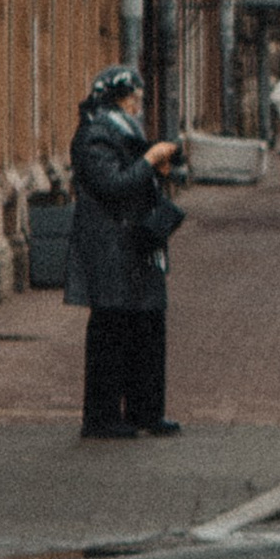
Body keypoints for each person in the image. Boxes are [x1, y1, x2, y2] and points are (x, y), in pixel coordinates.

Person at [65, 64, 184, 438]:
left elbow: (134, 179)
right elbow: (113, 184)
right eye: (134, 98)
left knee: (147, 327)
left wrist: (158, 169)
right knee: (111, 330)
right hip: (111, 246)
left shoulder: (124, 131)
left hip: (138, 244)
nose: (139, 105)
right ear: (117, 99)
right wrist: (149, 161)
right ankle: (101, 418)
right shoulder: (94, 136)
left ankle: (145, 411)